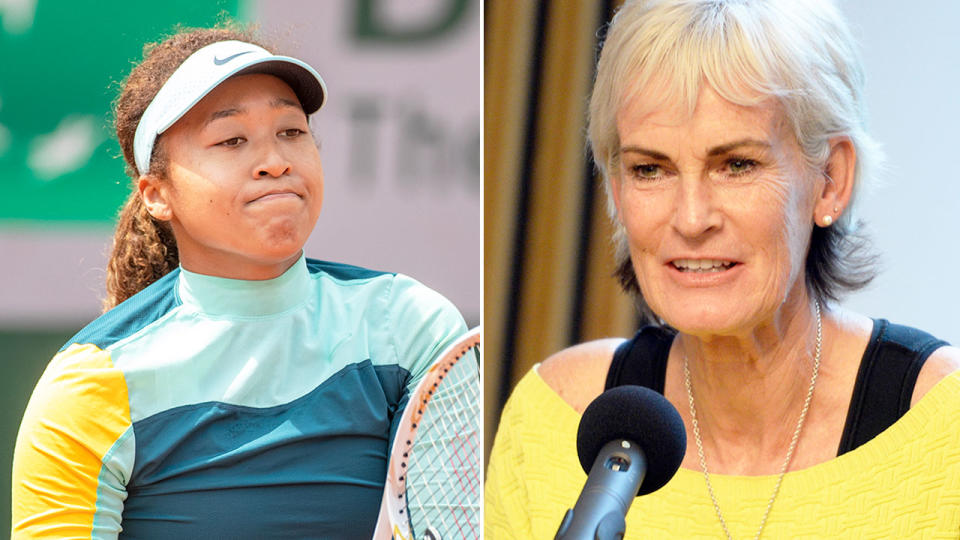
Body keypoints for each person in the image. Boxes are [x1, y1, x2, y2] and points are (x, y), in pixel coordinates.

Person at [485, 0, 960, 538]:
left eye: (736, 165)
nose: (691, 218)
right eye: (650, 169)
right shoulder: (553, 417)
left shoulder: (946, 427)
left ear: (830, 180)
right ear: (616, 190)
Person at [12, 25, 466, 539]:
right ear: (157, 195)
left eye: (291, 132)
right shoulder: (89, 386)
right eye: (232, 140)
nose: (276, 163)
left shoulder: (409, 324)